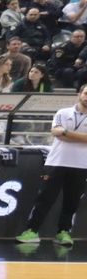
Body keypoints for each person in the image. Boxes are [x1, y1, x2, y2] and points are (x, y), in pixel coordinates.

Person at [17, 83, 87, 244]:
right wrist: (78, 137)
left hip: (82, 165)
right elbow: (56, 132)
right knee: (45, 198)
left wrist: (66, 132)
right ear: (79, 94)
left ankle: (63, 232)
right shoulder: (63, 112)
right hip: (56, 162)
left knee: (72, 202)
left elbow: (62, 133)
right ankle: (32, 231)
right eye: (86, 93)